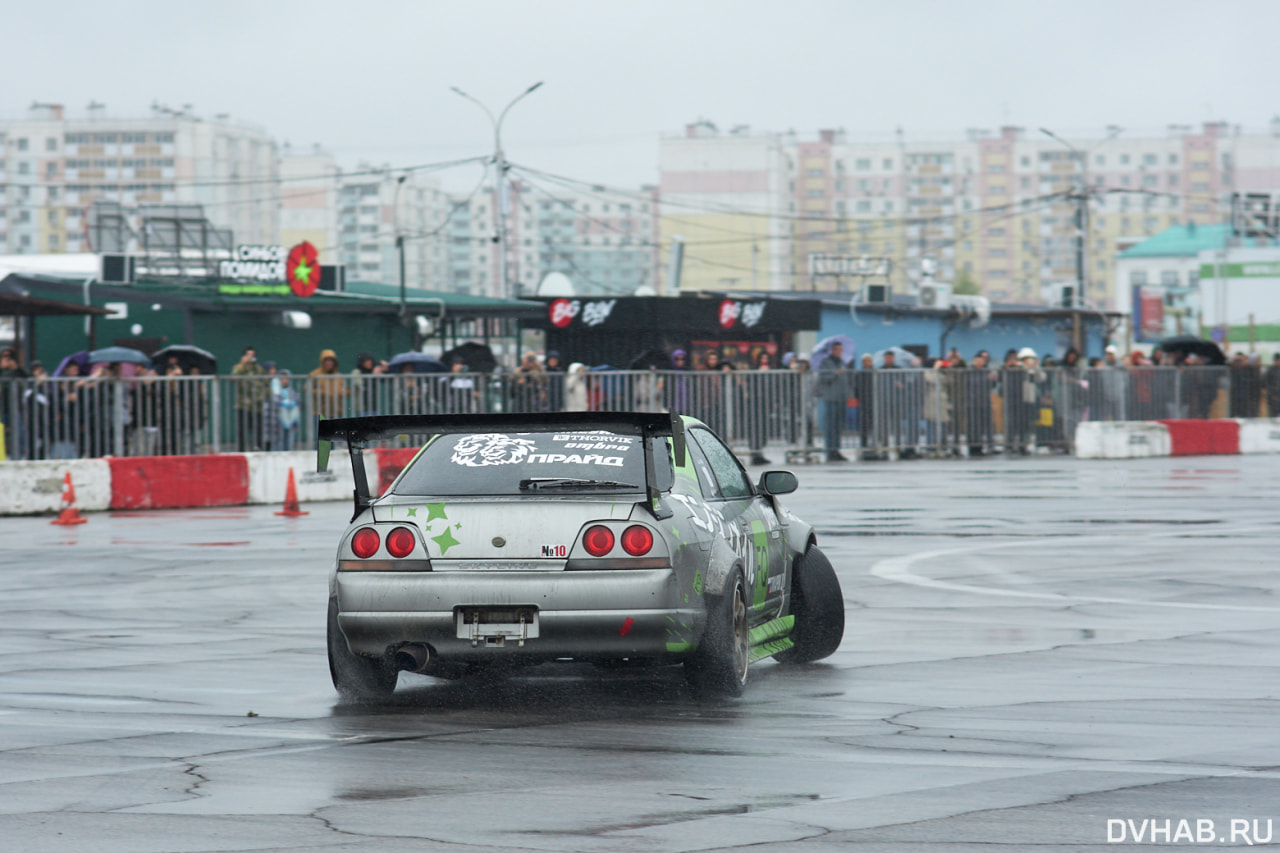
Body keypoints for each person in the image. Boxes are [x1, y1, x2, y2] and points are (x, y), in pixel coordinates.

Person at [816, 341, 849, 462]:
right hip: (831, 397)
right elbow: (823, 378)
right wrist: (835, 374)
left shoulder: (842, 362)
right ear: (832, 350)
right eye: (836, 349)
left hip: (841, 397)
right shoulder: (826, 363)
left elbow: (846, 379)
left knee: (839, 425)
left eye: (840, 349)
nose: (838, 352)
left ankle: (837, 449)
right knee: (831, 426)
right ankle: (830, 450)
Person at [232, 346, 268, 451]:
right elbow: (233, 377)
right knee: (243, 430)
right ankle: (241, 450)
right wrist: (243, 364)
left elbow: (266, 383)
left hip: (257, 406)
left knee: (258, 430)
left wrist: (264, 396)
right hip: (243, 405)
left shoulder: (258, 369)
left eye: (252, 355)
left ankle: (259, 448)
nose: (251, 357)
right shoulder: (238, 367)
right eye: (248, 355)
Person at [746, 351, 773, 465]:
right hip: (755, 402)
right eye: (762, 358)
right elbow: (751, 385)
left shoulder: (772, 370)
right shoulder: (753, 370)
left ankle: (760, 451)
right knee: (755, 428)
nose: (764, 360)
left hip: (767, 403)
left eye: (766, 358)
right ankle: (755, 452)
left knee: (765, 429)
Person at [852, 353, 878, 459]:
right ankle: (864, 445)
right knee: (864, 425)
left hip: (874, 402)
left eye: (869, 361)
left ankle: (874, 446)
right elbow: (856, 388)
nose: (868, 363)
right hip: (863, 402)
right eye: (866, 361)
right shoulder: (859, 374)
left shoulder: (875, 373)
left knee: (874, 425)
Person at [309, 349, 348, 420]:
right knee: (322, 431)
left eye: (331, 361)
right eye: (326, 360)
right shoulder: (315, 374)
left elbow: (347, 390)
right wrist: (322, 392)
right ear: (322, 362)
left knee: (337, 431)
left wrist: (341, 392)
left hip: (337, 413)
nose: (329, 363)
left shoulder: (339, 376)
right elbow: (307, 389)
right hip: (320, 413)